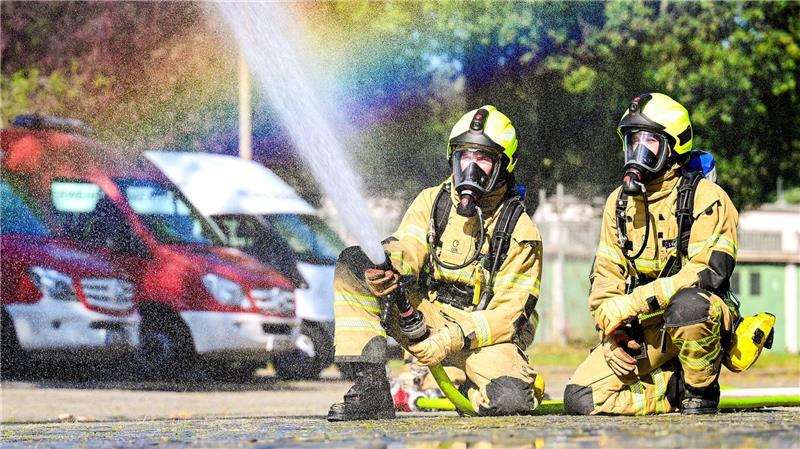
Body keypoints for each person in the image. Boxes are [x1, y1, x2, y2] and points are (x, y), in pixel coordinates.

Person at [327, 105, 544, 421]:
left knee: (509, 400)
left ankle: (464, 385)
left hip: (481, 339)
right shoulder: (434, 201)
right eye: (463, 156)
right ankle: (370, 388)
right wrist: (388, 267)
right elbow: (409, 244)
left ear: (504, 165)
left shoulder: (521, 230)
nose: (470, 168)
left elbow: (508, 316)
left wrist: (449, 339)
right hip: (422, 318)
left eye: (482, 158)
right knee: (354, 265)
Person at [563, 93, 740, 415]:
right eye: (633, 142)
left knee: (689, 307)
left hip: (700, 317)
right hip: (646, 326)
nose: (638, 152)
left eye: (649, 142)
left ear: (674, 146)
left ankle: (701, 390)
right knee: (581, 399)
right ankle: (673, 390)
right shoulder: (618, 202)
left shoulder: (707, 196)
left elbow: (707, 272)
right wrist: (611, 331)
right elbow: (605, 275)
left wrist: (633, 302)